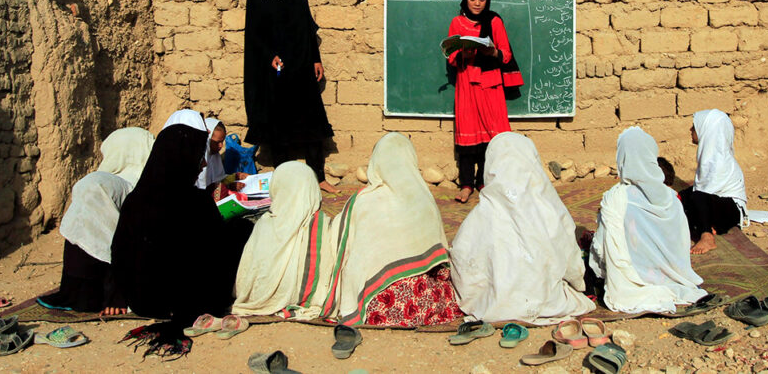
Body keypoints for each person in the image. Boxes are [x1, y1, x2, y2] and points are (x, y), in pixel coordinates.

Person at [450, 132, 594, 325]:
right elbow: (570, 258)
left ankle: (502, 302)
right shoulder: (549, 210)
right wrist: (579, 283)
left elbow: (462, 260)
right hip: (548, 299)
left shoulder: (483, 212)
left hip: (491, 304)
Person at [320, 133, 463, 327]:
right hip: (431, 303)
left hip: (382, 306)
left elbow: (344, 241)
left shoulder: (366, 200)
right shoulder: (424, 197)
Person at [111, 110, 237, 325]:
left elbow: (120, 253)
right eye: (199, 155)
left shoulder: (135, 199)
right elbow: (217, 257)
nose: (204, 163)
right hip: (190, 302)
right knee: (238, 230)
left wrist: (116, 296)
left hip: (144, 301)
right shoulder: (197, 202)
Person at [243, 0, 336, 193]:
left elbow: (307, 27)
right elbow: (254, 36)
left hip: (302, 65)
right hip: (275, 72)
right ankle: (285, 179)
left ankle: (319, 177)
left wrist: (316, 59)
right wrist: (269, 55)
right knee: (278, 126)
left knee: (312, 123)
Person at [589, 127, 705, 313]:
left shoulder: (616, 198)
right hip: (673, 273)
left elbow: (603, 250)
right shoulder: (671, 196)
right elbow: (681, 242)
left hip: (630, 281)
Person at [40, 127, 154, 315]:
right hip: (110, 274)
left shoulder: (100, 181)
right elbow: (120, 244)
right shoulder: (126, 186)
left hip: (79, 276)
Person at [445, 0, 521, 203]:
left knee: (492, 135)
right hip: (467, 83)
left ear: (487, 0)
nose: (477, 3)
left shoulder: (494, 21)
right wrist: (463, 53)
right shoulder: (457, 23)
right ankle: (467, 185)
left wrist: (491, 52)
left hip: (490, 84)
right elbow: (451, 56)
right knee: (468, 135)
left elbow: (506, 54)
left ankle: (485, 181)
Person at [231, 161, 338, 319]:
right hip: (302, 295)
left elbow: (247, 270)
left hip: (257, 294)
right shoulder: (320, 225)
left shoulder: (264, 223)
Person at [681, 109, 748, 254]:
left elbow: (702, 194)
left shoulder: (720, 161)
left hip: (730, 211)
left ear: (707, 130)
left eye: (695, 126)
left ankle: (706, 236)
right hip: (713, 204)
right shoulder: (708, 156)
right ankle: (707, 224)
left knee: (696, 197)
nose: (691, 129)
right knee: (682, 198)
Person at [196, 117, 228, 190]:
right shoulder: (198, 158)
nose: (221, 146)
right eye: (217, 142)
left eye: (222, 141)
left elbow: (219, 180)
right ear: (207, 139)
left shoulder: (215, 156)